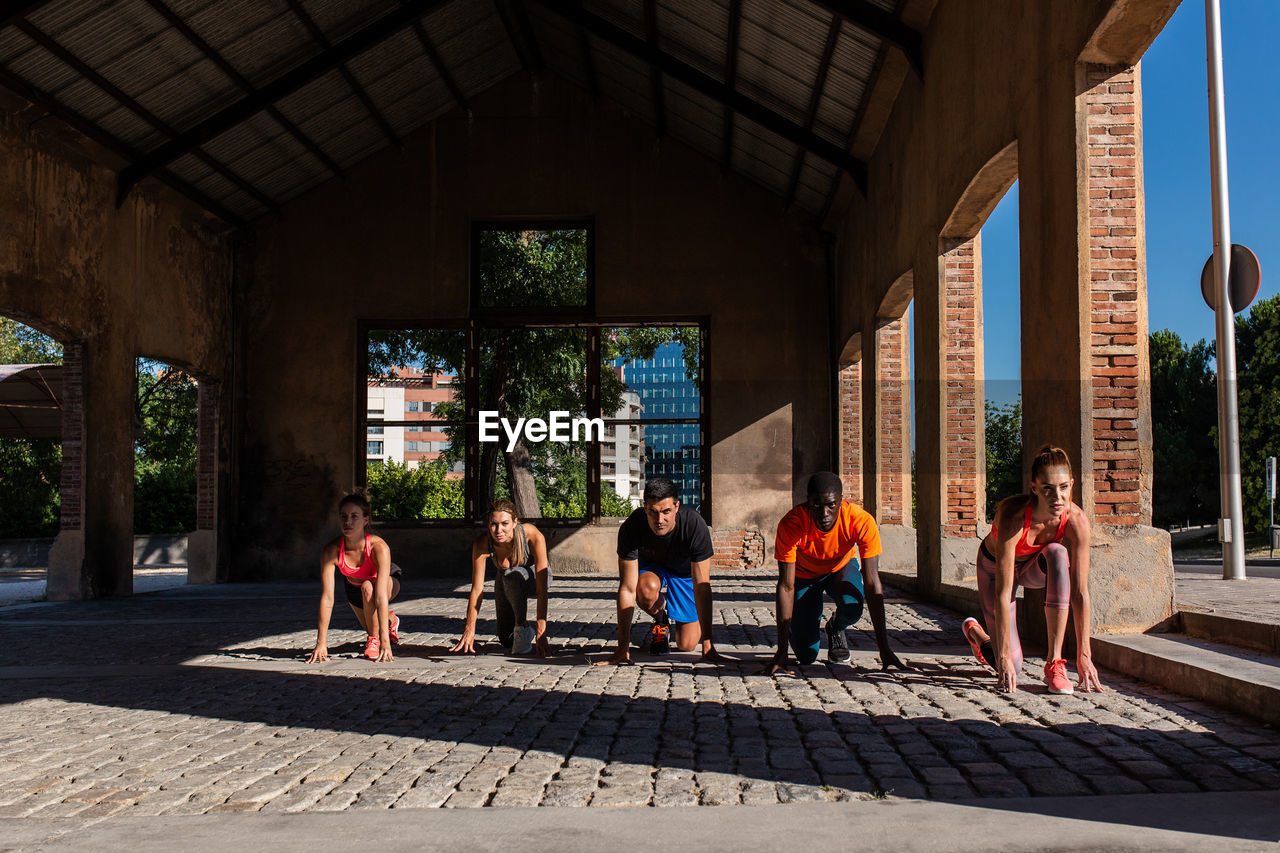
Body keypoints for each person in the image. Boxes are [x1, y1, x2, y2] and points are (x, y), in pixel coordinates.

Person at [960, 444, 1105, 694]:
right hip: (995, 571)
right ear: (1034, 487)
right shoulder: (1012, 516)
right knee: (1011, 666)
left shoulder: (1077, 520)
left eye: (1063, 488)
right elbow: (1004, 594)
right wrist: (1003, 656)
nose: (1057, 497)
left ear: (1071, 484)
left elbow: (1080, 593)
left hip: (1030, 569)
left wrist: (1085, 655)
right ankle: (976, 633)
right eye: (1047, 489)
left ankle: (1055, 663)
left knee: (1058, 553)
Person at [765, 471, 909, 675]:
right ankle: (800, 629)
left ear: (841, 502)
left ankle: (835, 627)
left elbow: (872, 582)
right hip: (804, 577)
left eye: (831, 505)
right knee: (806, 656)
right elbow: (786, 586)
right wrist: (781, 652)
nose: (824, 513)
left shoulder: (860, 521)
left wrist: (884, 649)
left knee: (852, 606)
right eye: (817, 505)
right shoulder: (792, 524)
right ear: (807, 502)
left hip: (840, 569)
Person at [597, 477, 729, 665]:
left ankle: (687, 625)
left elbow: (702, 586)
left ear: (676, 506)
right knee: (644, 588)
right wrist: (622, 648)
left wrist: (708, 645)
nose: (660, 520)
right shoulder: (632, 526)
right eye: (653, 512)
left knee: (687, 644)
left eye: (666, 511)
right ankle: (661, 620)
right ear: (645, 508)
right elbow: (627, 588)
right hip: (652, 569)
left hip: (684, 574)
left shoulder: (694, 525)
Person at [308, 490, 401, 663]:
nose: (348, 522)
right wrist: (321, 643)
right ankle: (390, 621)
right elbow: (327, 598)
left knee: (368, 587)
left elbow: (380, 596)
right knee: (371, 623)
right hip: (353, 589)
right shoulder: (331, 551)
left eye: (354, 516)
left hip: (385, 583)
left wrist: (384, 643)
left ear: (365, 520)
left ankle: (375, 640)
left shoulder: (378, 547)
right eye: (343, 516)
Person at [450, 499, 552, 656]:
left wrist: (541, 630)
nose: (499, 530)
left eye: (504, 523)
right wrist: (470, 628)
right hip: (506, 580)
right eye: (493, 524)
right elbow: (477, 589)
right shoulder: (483, 543)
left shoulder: (532, 535)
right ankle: (521, 632)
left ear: (514, 522)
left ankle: (522, 627)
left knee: (513, 575)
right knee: (507, 639)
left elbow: (542, 588)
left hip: (534, 578)